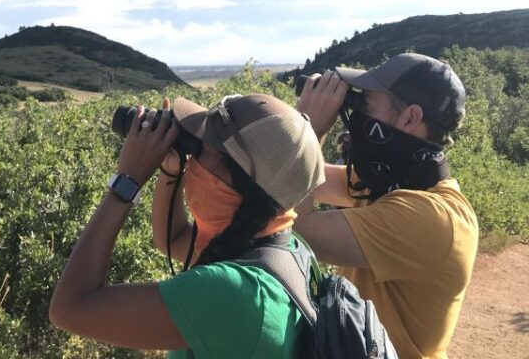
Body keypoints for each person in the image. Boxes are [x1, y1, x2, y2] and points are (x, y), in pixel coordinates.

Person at [50, 94, 325, 357]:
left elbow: (70, 308)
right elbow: (172, 238)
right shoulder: (288, 250)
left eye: (201, 149)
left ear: (235, 181)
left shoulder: (231, 292)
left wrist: (127, 181)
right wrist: (173, 169)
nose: (192, 158)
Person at [293, 53, 479, 359]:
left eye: (366, 107)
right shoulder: (391, 183)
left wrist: (309, 129)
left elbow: (293, 230)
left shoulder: (431, 217)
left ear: (410, 118)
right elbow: (305, 179)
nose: (358, 118)